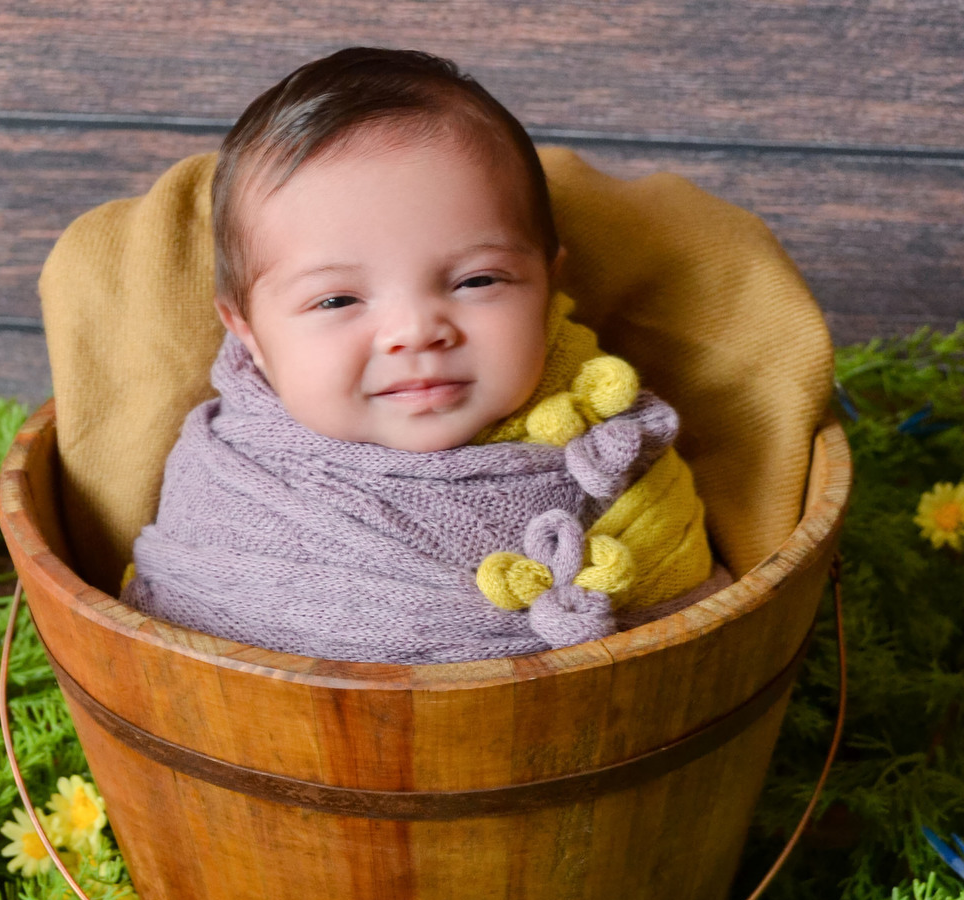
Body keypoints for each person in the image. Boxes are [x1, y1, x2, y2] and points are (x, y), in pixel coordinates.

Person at [124, 47, 715, 663]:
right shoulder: (227, 481)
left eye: (477, 281)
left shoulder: (612, 442)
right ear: (248, 333)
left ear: (546, 287)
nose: (414, 332)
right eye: (337, 299)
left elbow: (679, 615)